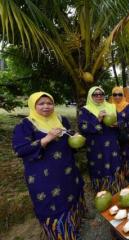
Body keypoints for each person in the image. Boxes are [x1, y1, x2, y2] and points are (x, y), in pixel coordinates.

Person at [12, 92, 85, 239]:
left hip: (66, 169)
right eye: (41, 103)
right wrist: (46, 139)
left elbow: (69, 136)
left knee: (71, 194)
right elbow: (20, 149)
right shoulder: (25, 125)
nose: (46, 106)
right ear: (33, 105)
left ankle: (74, 227)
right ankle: (61, 234)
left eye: (49, 103)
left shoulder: (60, 119)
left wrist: (75, 137)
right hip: (44, 175)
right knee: (53, 203)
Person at [78, 86, 126, 194]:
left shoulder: (111, 107)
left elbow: (122, 121)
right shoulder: (85, 110)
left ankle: (116, 187)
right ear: (91, 96)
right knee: (99, 165)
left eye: (101, 94)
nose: (99, 96)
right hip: (96, 146)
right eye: (95, 94)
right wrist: (98, 119)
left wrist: (117, 124)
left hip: (112, 143)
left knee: (114, 163)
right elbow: (83, 127)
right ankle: (103, 190)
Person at [111, 86, 129, 181]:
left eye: (120, 94)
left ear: (123, 95)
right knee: (116, 155)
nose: (117, 97)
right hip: (113, 135)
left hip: (125, 135)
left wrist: (120, 124)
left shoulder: (127, 106)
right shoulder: (109, 106)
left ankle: (127, 173)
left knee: (126, 154)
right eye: (115, 94)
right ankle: (119, 174)